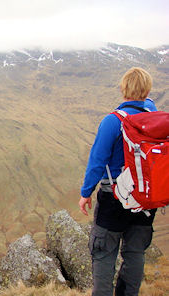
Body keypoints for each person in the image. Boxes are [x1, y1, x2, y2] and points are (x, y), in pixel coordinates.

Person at [79, 67, 157, 296]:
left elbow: (97, 161)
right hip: (146, 198)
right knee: (135, 253)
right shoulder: (155, 118)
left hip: (114, 198)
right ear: (148, 90)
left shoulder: (112, 122)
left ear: (123, 90)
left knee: (103, 253)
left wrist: (85, 193)